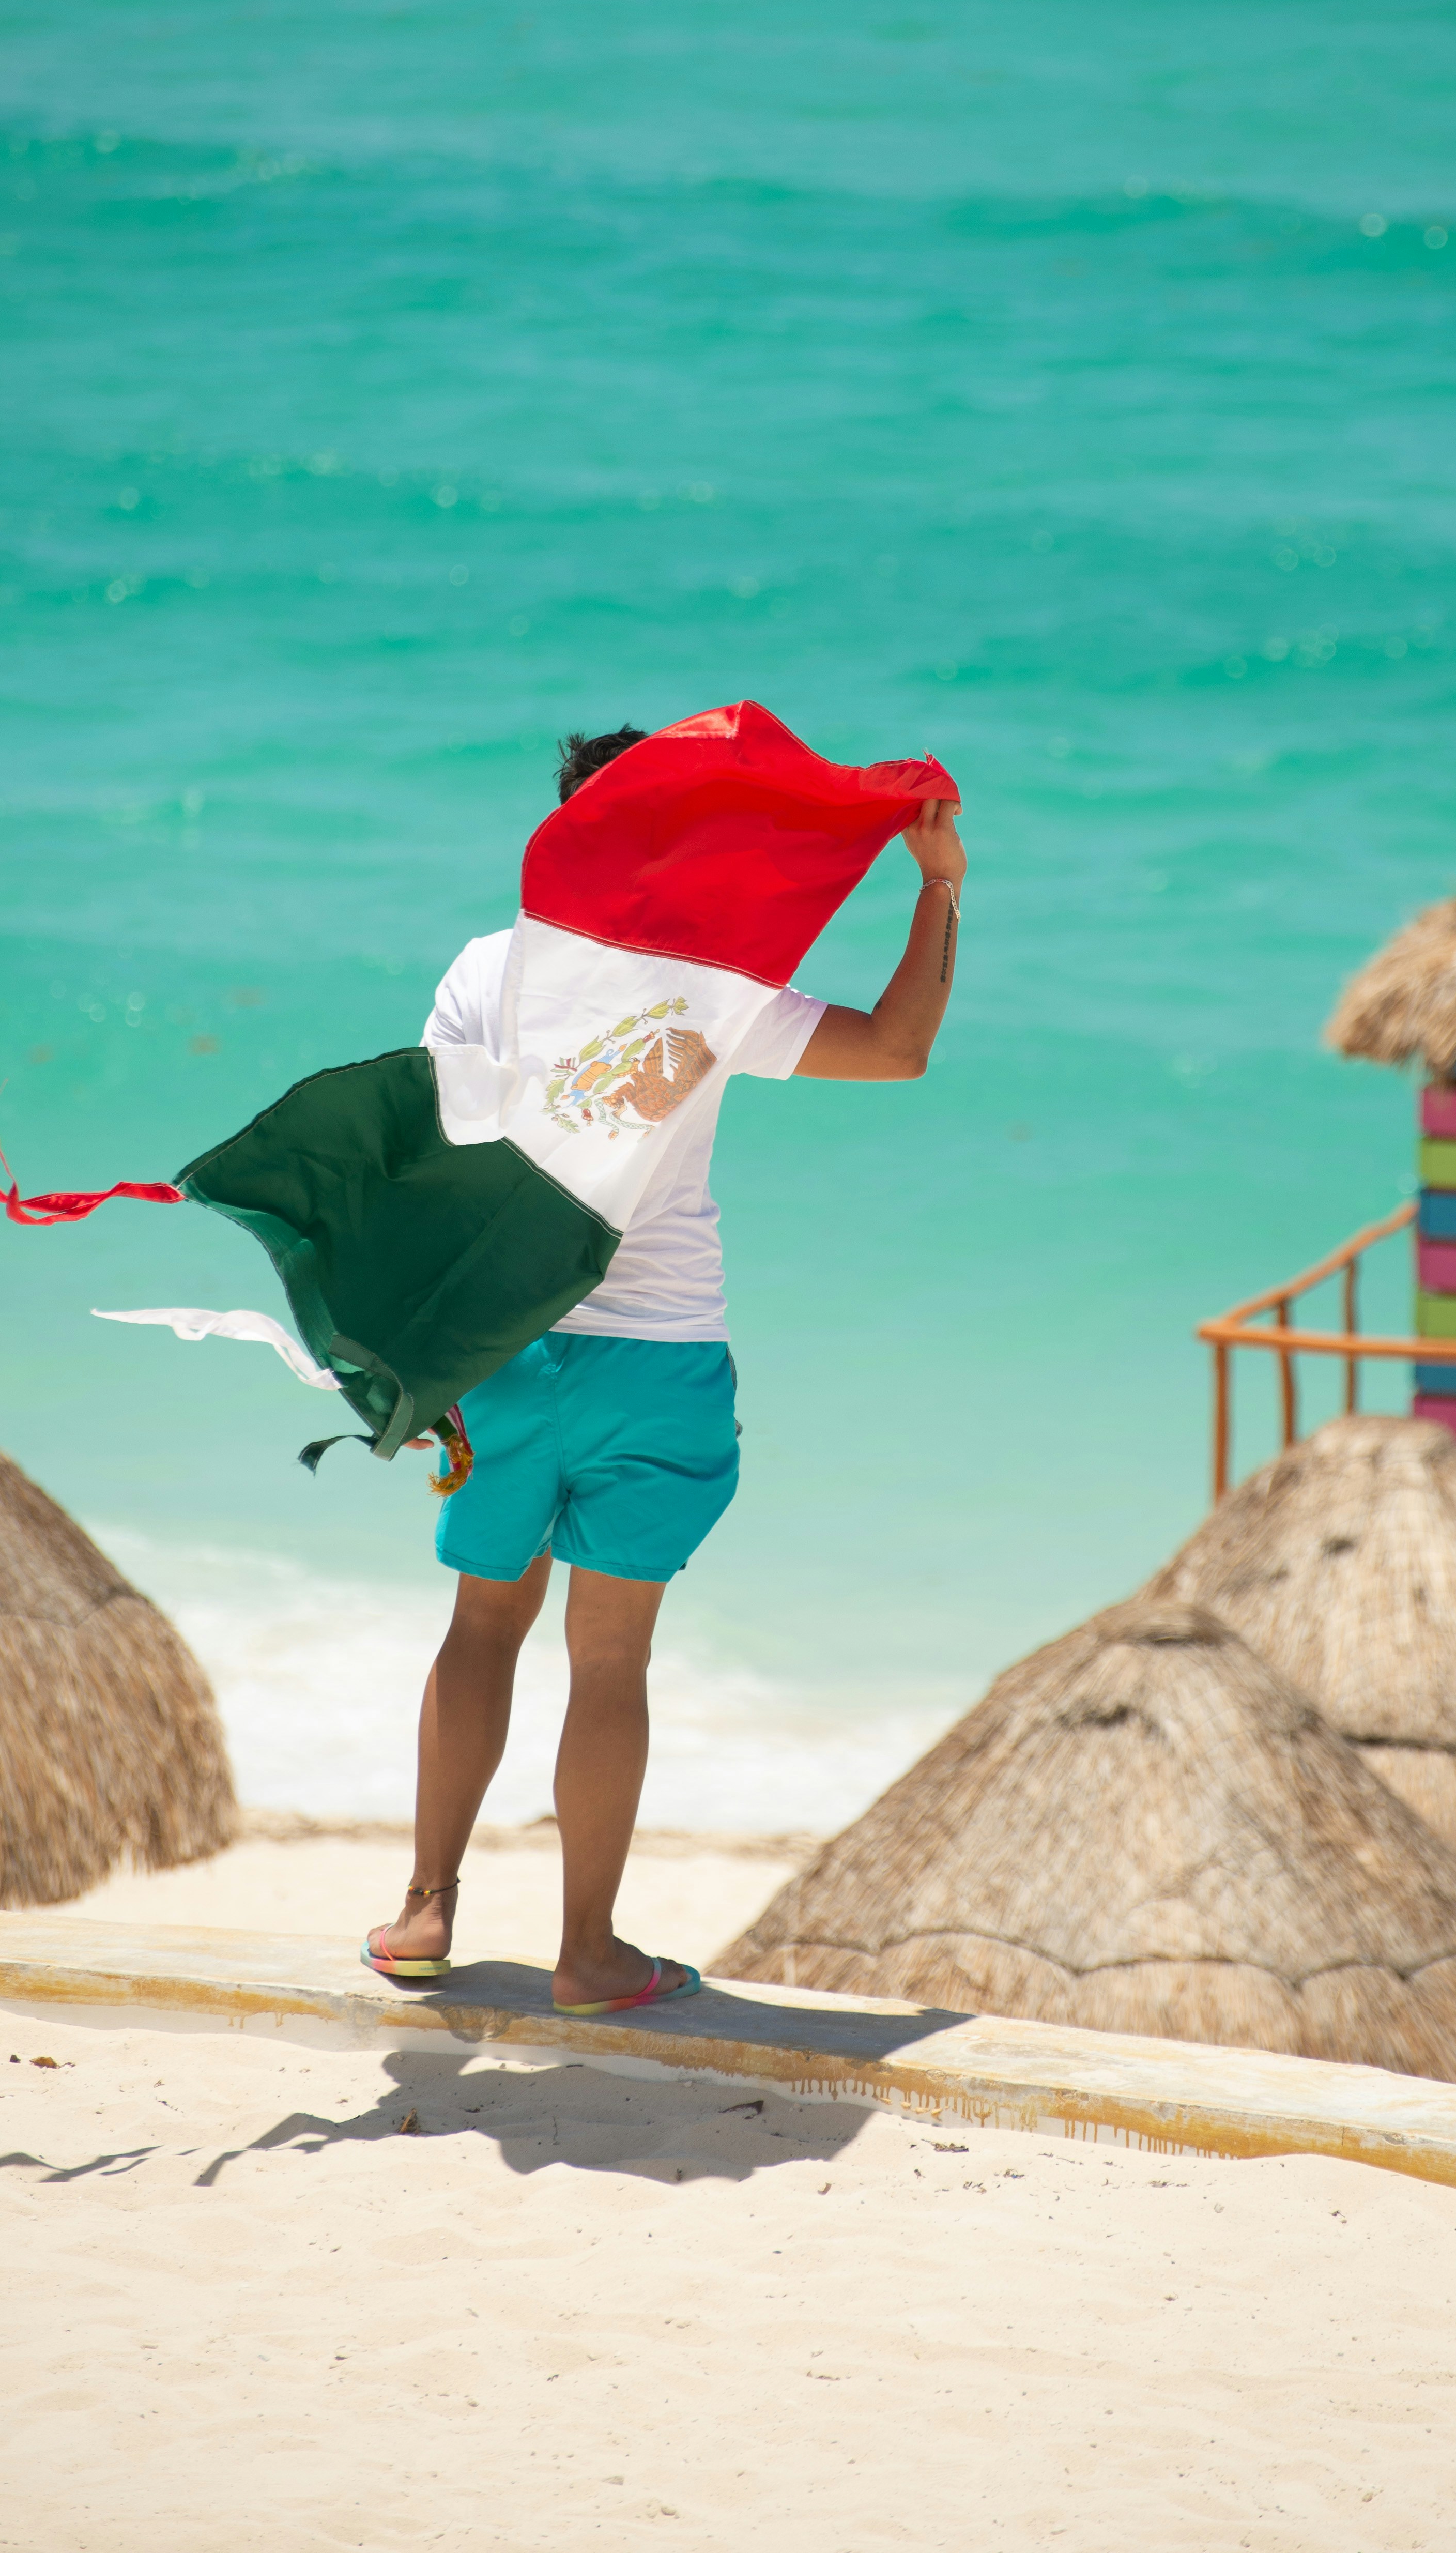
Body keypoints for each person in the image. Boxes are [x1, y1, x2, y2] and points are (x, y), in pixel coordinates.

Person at [364, 724, 965, 2012]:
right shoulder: (711, 986)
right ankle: (587, 1955)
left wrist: (421, 1348)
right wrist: (935, 885)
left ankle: (424, 1910)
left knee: (480, 1627)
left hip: (509, 1348)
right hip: (661, 1358)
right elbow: (900, 1044)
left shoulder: (489, 969)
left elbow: (434, 1161)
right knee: (610, 1660)